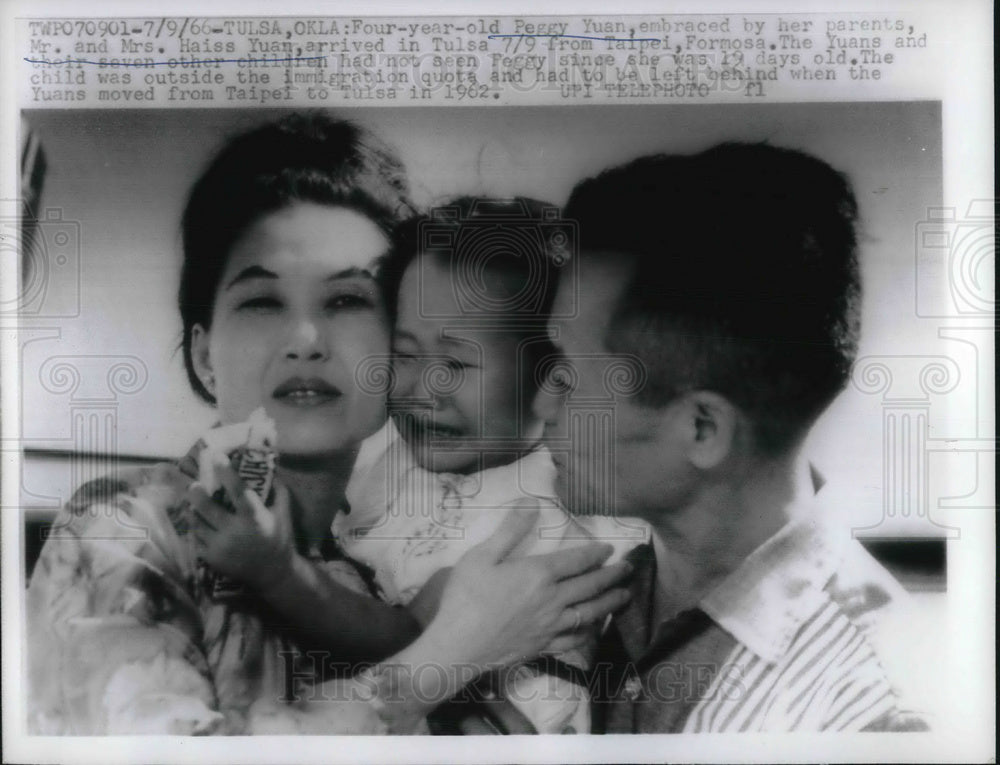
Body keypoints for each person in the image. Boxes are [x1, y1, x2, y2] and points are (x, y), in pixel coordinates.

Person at [25, 114, 632, 735]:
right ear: (204, 354)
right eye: (262, 301)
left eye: (347, 300)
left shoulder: (372, 560)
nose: (307, 341)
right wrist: (443, 659)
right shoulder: (128, 527)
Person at [533, 143, 929, 733]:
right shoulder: (575, 601)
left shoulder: (868, 716)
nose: (542, 404)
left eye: (567, 375)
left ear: (702, 429)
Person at [335, 197, 647, 734]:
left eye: (457, 363)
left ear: (550, 372)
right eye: (405, 355)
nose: (422, 388)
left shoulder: (568, 513)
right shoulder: (383, 463)